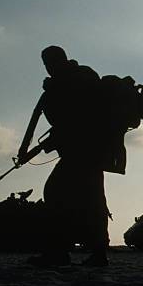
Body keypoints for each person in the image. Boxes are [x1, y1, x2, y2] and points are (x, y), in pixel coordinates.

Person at [21, 46, 110, 267]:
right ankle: (97, 253)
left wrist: (50, 142)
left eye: (50, 62)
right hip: (90, 152)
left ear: (59, 60)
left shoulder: (71, 83)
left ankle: (58, 252)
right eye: (46, 64)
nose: (48, 68)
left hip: (82, 152)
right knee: (94, 200)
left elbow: (75, 121)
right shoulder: (77, 80)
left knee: (55, 193)